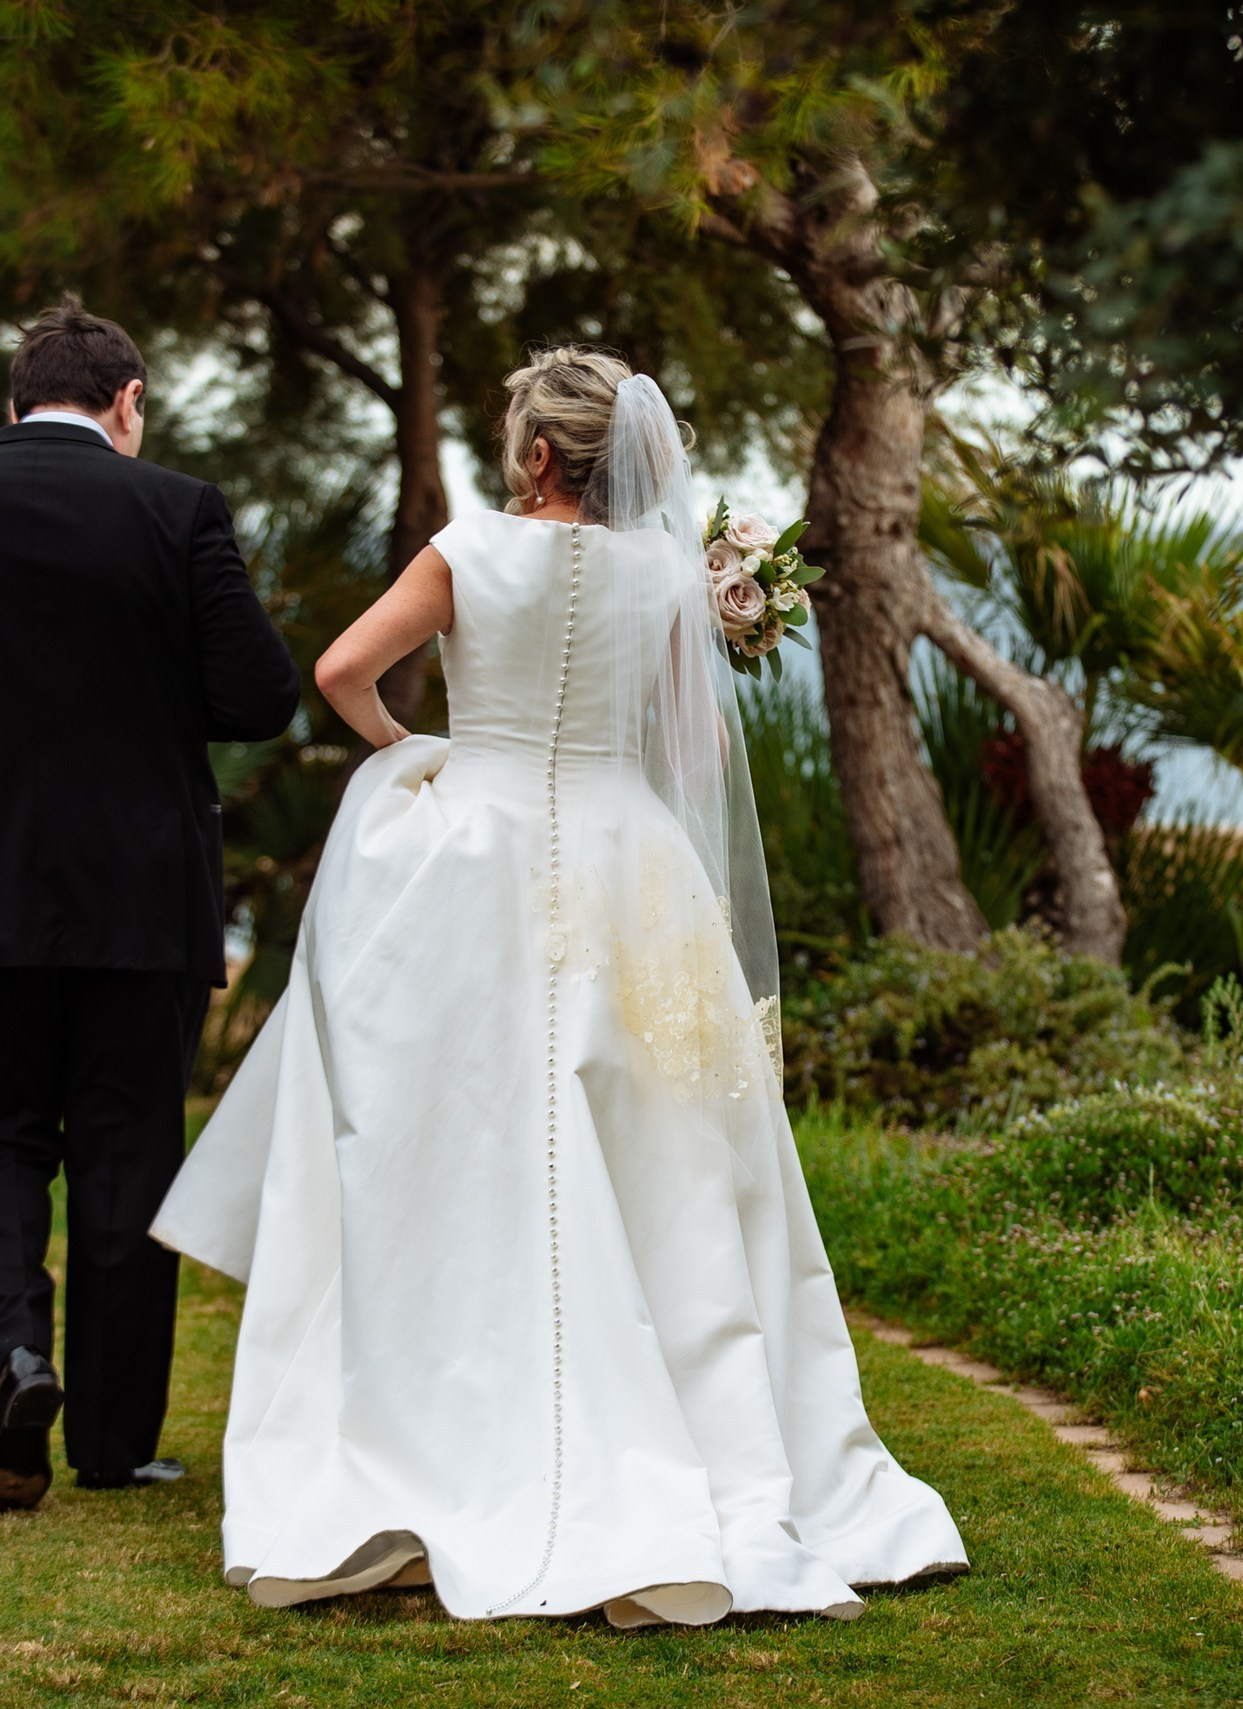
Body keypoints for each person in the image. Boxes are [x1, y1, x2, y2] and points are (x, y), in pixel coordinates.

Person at [151, 347, 967, 1625]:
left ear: (538, 454)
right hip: (629, 865)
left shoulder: (467, 550)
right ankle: (681, 1430)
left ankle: (449, 1425)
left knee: (461, 1144)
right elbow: (698, 752)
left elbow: (340, 672)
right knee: (660, 1158)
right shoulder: (669, 572)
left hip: (475, 859)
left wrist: (413, 748)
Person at [0, 299, 302, 1513]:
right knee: (128, 1150)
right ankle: (114, 1443)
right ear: (127, 401)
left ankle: (16, 1358)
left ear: (13, 401)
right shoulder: (179, 510)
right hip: (139, 891)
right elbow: (258, 697)